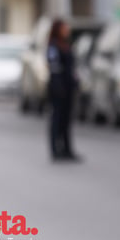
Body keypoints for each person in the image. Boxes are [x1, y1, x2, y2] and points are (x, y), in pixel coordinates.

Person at [47, 18, 81, 162]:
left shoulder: (66, 45)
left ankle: (67, 149)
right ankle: (55, 149)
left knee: (67, 119)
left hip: (68, 86)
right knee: (57, 118)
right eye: (64, 28)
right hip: (57, 87)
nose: (67, 30)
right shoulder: (53, 46)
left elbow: (71, 67)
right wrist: (58, 85)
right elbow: (53, 66)